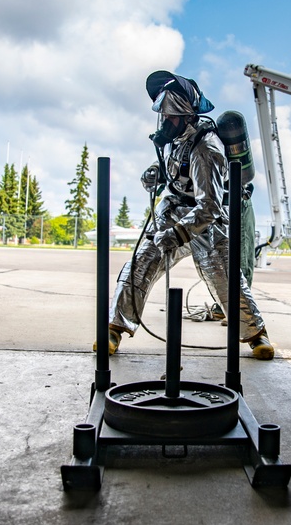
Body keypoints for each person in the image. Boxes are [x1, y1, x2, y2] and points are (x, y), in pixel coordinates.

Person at [99, 70, 274, 359]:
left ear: (185, 116)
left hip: (204, 220)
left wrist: (177, 234)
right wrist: (156, 175)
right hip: (173, 209)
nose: (164, 122)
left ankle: (257, 335)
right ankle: (114, 328)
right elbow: (176, 176)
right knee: (140, 262)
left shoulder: (207, 149)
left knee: (225, 277)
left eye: (169, 117)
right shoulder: (174, 140)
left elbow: (209, 207)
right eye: (163, 116)